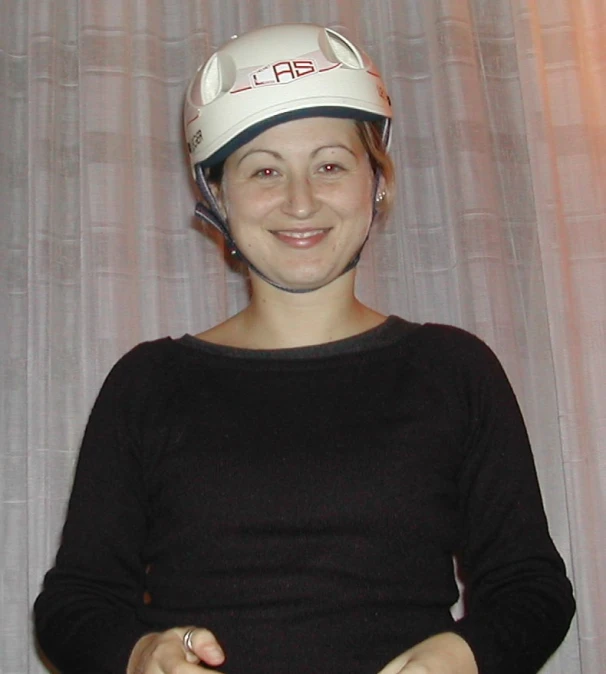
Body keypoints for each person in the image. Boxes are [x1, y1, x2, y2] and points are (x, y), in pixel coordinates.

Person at [34, 23, 575, 674]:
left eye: (329, 164)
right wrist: (139, 653)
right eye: (264, 169)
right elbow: (76, 600)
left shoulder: (454, 370)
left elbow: (531, 587)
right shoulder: (148, 383)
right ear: (217, 196)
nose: (299, 201)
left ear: (376, 182)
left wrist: (463, 654)